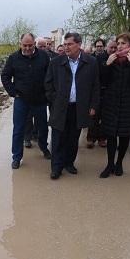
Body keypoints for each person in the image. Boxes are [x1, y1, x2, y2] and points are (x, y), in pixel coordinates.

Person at [45, 32, 100, 179]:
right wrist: (54, 100)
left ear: (79, 44)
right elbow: (48, 84)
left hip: (79, 107)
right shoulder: (56, 62)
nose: (66, 47)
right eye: (65, 44)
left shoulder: (91, 62)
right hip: (60, 107)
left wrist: (93, 105)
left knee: (73, 138)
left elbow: (95, 86)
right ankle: (56, 167)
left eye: (70, 44)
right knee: (58, 138)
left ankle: (69, 163)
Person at [99, 33, 130, 177]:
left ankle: (119, 163)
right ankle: (109, 164)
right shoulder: (112, 59)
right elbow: (103, 80)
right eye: (118, 43)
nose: (119, 46)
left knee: (124, 136)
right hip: (112, 103)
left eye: (123, 43)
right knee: (111, 135)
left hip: (129, 105)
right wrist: (107, 64)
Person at [1, 33, 52, 169]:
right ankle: (16, 157)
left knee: (43, 127)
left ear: (34, 43)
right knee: (18, 129)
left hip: (40, 100)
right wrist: (13, 92)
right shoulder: (13, 58)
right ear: (20, 44)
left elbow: (50, 76)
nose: (28, 48)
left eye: (30, 45)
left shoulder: (44, 56)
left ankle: (44, 148)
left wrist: (48, 94)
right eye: (25, 45)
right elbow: (5, 76)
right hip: (21, 100)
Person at [86, 39, 115, 148]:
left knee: (106, 117)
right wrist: (107, 64)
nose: (113, 50)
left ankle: (102, 138)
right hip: (98, 91)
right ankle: (90, 138)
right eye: (111, 47)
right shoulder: (98, 58)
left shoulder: (118, 59)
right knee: (94, 116)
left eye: (114, 48)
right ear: (106, 47)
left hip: (110, 92)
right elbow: (97, 75)